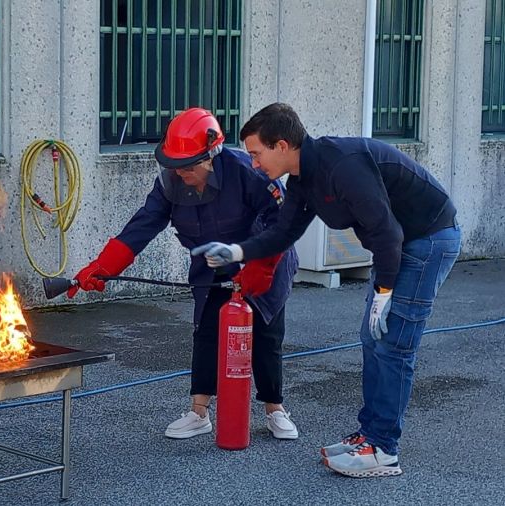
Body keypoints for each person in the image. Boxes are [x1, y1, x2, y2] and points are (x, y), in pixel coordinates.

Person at [197, 103, 460, 477]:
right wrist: (238, 251)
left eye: (256, 153)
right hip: (401, 246)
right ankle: (370, 434)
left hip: (428, 239)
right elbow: (283, 232)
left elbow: (388, 233)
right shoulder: (304, 180)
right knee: (373, 337)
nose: (253, 164)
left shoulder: (343, 166)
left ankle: (383, 449)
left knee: (394, 341)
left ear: (282, 145)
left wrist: (384, 292)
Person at [69, 108, 300, 441]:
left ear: (211, 155)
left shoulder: (248, 173)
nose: (181, 174)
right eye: (174, 166)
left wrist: (256, 265)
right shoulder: (169, 184)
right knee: (206, 330)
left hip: (265, 261)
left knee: (265, 333)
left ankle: (274, 409)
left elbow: (281, 222)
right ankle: (199, 412)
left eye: (188, 166)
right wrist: (103, 267)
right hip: (214, 266)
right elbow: (142, 225)